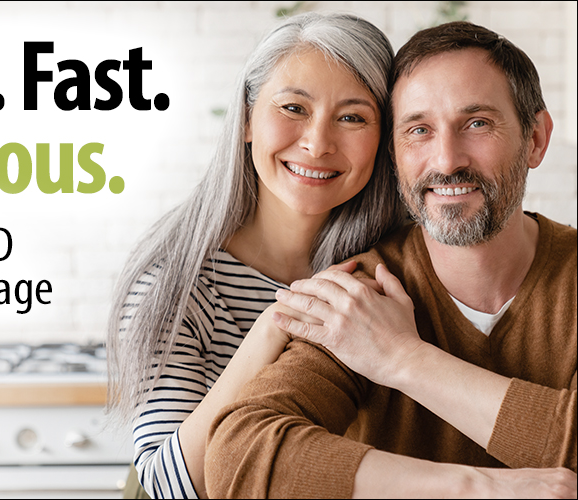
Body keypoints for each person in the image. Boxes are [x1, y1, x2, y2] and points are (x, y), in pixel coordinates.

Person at [205, 21, 577, 498]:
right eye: (418, 130)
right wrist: (477, 488)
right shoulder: (363, 294)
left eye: (477, 123)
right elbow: (240, 458)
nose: (446, 160)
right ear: (395, 153)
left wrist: (405, 359)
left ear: (536, 139)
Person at [105, 12, 406, 499]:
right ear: (246, 119)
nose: (316, 142)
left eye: (352, 117)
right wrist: (278, 323)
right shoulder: (176, 283)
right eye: (293, 108)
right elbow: (166, 486)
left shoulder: (393, 267)